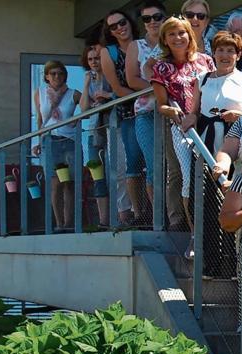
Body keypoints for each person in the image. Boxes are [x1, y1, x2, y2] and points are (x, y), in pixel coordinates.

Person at [150, 16, 215, 234]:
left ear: (190, 35)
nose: (178, 38)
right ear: (165, 39)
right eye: (171, 34)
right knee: (182, 175)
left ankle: (209, 226)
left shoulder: (205, 61)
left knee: (205, 174)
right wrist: (171, 110)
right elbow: (161, 104)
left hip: (205, 125)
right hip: (179, 128)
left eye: (182, 33)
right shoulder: (161, 67)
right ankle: (186, 226)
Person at [99, 9, 144, 225]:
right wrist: (147, 97)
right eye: (113, 26)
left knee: (153, 165)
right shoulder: (109, 52)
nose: (119, 27)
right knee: (129, 163)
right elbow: (117, 88)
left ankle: (152, 211)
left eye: (122, 22)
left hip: (155, 112)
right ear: (109, 32)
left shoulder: (144, 45)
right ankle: (132, 215)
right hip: (127, 114)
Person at [125, 1, 166, 216]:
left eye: (157, 17)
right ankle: (159, 216)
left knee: (173, 168)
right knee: (153, 165)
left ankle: (174, 215)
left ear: (165, 18)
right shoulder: (136, 46)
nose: (152, 22)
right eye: (146, 19)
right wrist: (159, 89)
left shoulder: (173, 41)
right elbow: (132, 79)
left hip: (171, 113)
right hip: (146, 113)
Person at [33, 60, 81, 232]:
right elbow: (40, 119)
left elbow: (88, 107)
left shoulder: (73, 93)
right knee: (55, 183)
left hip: (69, 141)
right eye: (53, 73)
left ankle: (69, 223)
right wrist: (37, 141)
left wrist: (78, 119)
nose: (57, 76)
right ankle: (59, 223)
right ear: (46, 76)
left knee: (69, 183)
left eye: (60, 73)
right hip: (50, 140)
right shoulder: (39, 93)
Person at [196, 31, 242, 155]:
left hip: (236, 141)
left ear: (238, 55)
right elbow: (194, 113)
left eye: (230, 50)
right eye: (220, 50)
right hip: (204, 140)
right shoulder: (202, 79)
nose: (224, 55)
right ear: (213, 53)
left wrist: (240, 116)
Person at [79, 42, 113, 227]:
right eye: (90, 59)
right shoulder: (89, 80)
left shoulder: (110, 76)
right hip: (93, 133)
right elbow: (84, 108)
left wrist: (106, 95)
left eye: (97, 58)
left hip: (110, 128)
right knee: (97, 176)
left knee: (112, 173)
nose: (94, 62)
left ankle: (119, 216)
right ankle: (103, 221)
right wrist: (85, 85)